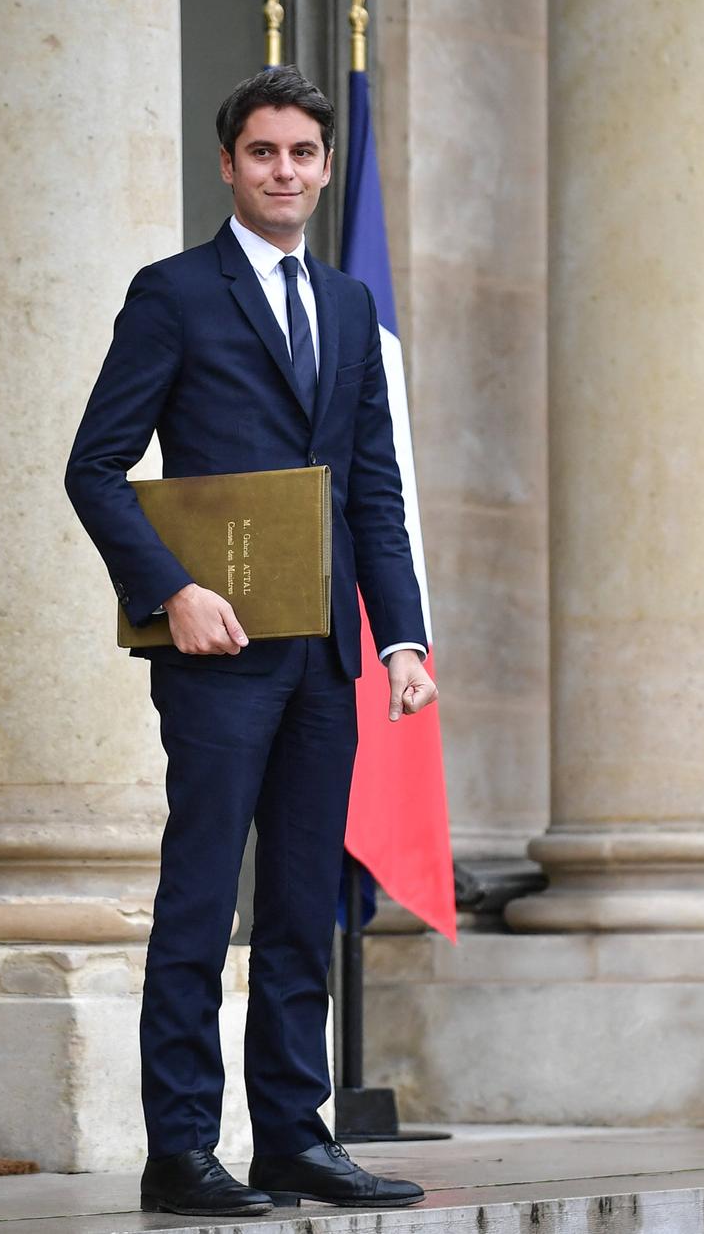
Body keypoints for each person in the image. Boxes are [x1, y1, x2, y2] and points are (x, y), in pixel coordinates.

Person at [65, 66, 436, 1217]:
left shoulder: (345, 310)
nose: (285, 170)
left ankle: (292, 1140)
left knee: (297, 909)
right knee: (197, 899)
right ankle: (178, 1148)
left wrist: (402, 640)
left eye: (303, 154)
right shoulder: (171, 294)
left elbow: (371, 492)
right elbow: (95, 467)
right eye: (263, 152)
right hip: (218, 654)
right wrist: (171, 591)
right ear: (226, 164)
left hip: (327, 655)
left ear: (324, 171)